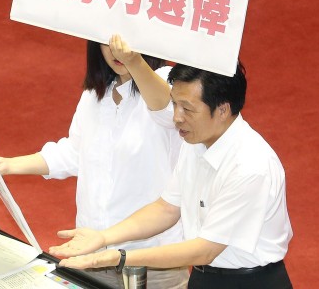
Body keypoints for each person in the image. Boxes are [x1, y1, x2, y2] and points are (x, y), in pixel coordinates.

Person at [50, 62, 293, 289]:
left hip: (250, 281)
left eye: (187, 108)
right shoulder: (195, 140)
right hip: (203, 276)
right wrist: (104, 237)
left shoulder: (251, 166)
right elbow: (167, 208)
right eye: (175, 104)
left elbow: (205, 249)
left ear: (222, 110)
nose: (176, 117)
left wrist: (119, 256)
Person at [0, 35, 187, 289]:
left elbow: (165, 109)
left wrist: (134, 60)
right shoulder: (95, 94)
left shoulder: (166, 81)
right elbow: (74, 152)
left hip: (151, 261)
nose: (118, 50)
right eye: (109, 41)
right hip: (91, 252)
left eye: (127, 41)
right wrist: (8, 165)